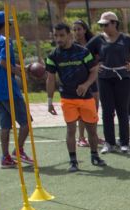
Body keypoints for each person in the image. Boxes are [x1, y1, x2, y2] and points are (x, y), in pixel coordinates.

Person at [45, 22, 106, 172]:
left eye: (62, 35)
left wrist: (86, 85)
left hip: (86, 98)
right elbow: (50, 79)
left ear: (69, 35)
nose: (58, 39)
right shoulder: (53, 55)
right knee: (70, 130)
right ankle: (73, 161)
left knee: (92, 130)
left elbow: (94, 70)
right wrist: (49, 101)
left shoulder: (83, 52)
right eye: (56, 36)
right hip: (67, 98)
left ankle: (94, 155)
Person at [86, 11, 130, 154]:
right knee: (107, 111)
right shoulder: (98, 40)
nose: (103, 28)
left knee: (123, 111)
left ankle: (124, 143)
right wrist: (96, 66)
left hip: (123, 79)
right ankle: (109, 143)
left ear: (115, 24)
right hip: (104, 79)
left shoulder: (126, 39)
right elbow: (84, 54)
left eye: (106, 24)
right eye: (101, 25)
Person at [0, 11, 32, 169]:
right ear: (6, 24)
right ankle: (18, 151)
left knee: (5, 125)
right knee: (26, 122)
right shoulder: (5, 40)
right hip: (8, 88)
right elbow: (3, 62)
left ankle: (5, 157)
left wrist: (21, 68)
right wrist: (18, 72)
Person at [71, 19, 102, 148]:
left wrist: (98, 65)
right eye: (75, 29)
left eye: (79, 29)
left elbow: (99, 58)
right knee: (82, 110)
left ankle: (93, 135)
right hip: (80, 82)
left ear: (85, 30)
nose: (77, 32)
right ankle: (81, 137)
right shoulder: (72, 46)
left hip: (93, 80)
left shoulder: (93, 43)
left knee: (94, 109)